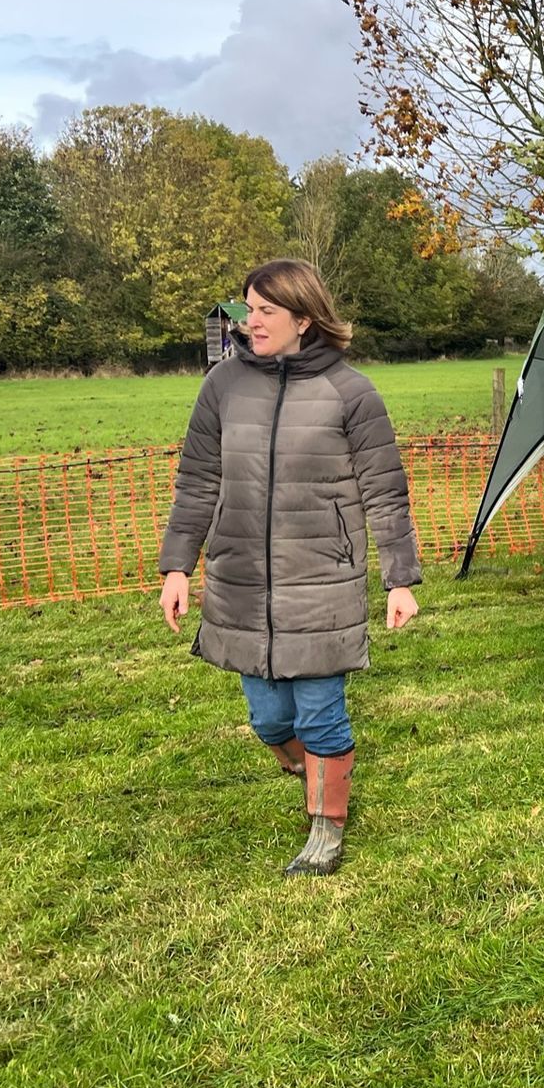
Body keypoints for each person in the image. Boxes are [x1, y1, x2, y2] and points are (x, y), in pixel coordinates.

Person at [157, 260, 421, 877]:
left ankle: (325, 832)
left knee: (321, 711)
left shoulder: (352, 393)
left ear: (304, 319)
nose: (251, 322)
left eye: (265, 312)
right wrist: (177, 567)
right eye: (249, 310)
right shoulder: (222, 386)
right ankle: (318, 772)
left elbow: (384, 490)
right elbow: (196, 481)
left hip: (323, 578)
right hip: (240, 581)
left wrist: (400, 578)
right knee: (269, 718)